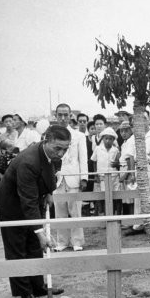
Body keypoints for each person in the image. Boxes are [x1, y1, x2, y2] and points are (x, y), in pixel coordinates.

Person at [0, 125, 70, 298]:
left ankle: (38, 287)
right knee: (18, 251)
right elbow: (27, 201)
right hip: (12, 207)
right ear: (46, 140)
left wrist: (49, 192)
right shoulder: (29, 161)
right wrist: (40, 233)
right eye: (57, 148)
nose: (61, 154)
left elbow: (53, 171)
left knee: (34, 248)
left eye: (65, 149)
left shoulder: (51, 155)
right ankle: (25, 293)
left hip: (32, 200)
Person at [53, 103, 88, 251]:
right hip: (56, 179)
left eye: (65, 115)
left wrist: (84, 178)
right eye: (59, 115)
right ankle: (62, 242)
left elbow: (83, 158)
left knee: (75, 211)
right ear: (55, 116)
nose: (62, 118)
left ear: (70, 116)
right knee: (59, 211)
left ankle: (77, 242)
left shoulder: (79, 136)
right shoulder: (49, 135)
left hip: (74, 178)